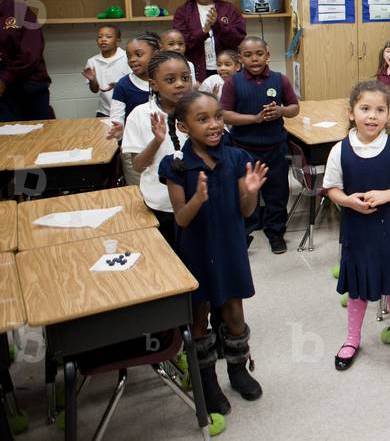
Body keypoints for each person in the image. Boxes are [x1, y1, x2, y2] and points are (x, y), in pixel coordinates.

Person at [160, 90, 267, 414]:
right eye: (203, 118)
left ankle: (237, 369)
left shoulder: (235, 158)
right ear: (183, 126)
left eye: (218, 116)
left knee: (234, 310)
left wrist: (249, 192)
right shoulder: (175, 165)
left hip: (230, 245)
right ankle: (206, 379)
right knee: (199, 315)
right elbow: (181, 218)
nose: (214, 124)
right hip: (196, 250)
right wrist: (197, 199)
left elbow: (247, 212)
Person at [323, 80, 390, 372]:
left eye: (380, 109)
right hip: (357, 231)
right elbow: (332, 189)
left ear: (388, 114)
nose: (372, 116)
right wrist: (348, 202)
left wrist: (386, 195)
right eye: (365, 108)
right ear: (351, 112)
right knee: (358, 287)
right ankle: (352, 338)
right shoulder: (339, 150)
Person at [221, 36, 299, 254]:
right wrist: (254, 119)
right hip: (243, 150)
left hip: (276, 148)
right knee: (245, 194)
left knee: (278, 193)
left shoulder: (279, 79)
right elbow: (225, 115)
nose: (254, 59)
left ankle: (275, 233)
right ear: (240, 59)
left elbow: (294, 107)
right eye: (247, 55)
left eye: (259, 54)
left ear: (267, 54)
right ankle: (244, 233)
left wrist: (281, 111)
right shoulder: (233, 83)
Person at [121, 51, 191, 245]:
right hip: (160, 204)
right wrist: (157, 141)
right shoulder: (140, 114)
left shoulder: (200, 109)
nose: (180, 84)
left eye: (185, 78)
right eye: (170, 80)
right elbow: (137, 165)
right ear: (154, 84)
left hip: (197, 201)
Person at [172, 0, 247, 84]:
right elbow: (182, 44)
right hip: (197, 73)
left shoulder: (229, 9)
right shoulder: (183, 12)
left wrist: (218, 25)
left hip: (228, 72)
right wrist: (204, 31)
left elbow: (238, 38)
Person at [0, 0, 51, 121]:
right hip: (3, 91)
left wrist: (5, 79)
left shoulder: (20, 11)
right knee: (7, 140)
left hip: (28, 84)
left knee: (37, 136)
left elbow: (31, 52)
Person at [83, 25, 131, 118]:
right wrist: (93, 80)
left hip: (128, 110)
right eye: (100, 37)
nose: (103, 39)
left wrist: (119, 85)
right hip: (104, 111)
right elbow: (94, 90)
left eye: (108, 37)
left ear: (118, 40)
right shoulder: (92, 61)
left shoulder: (127, 57)